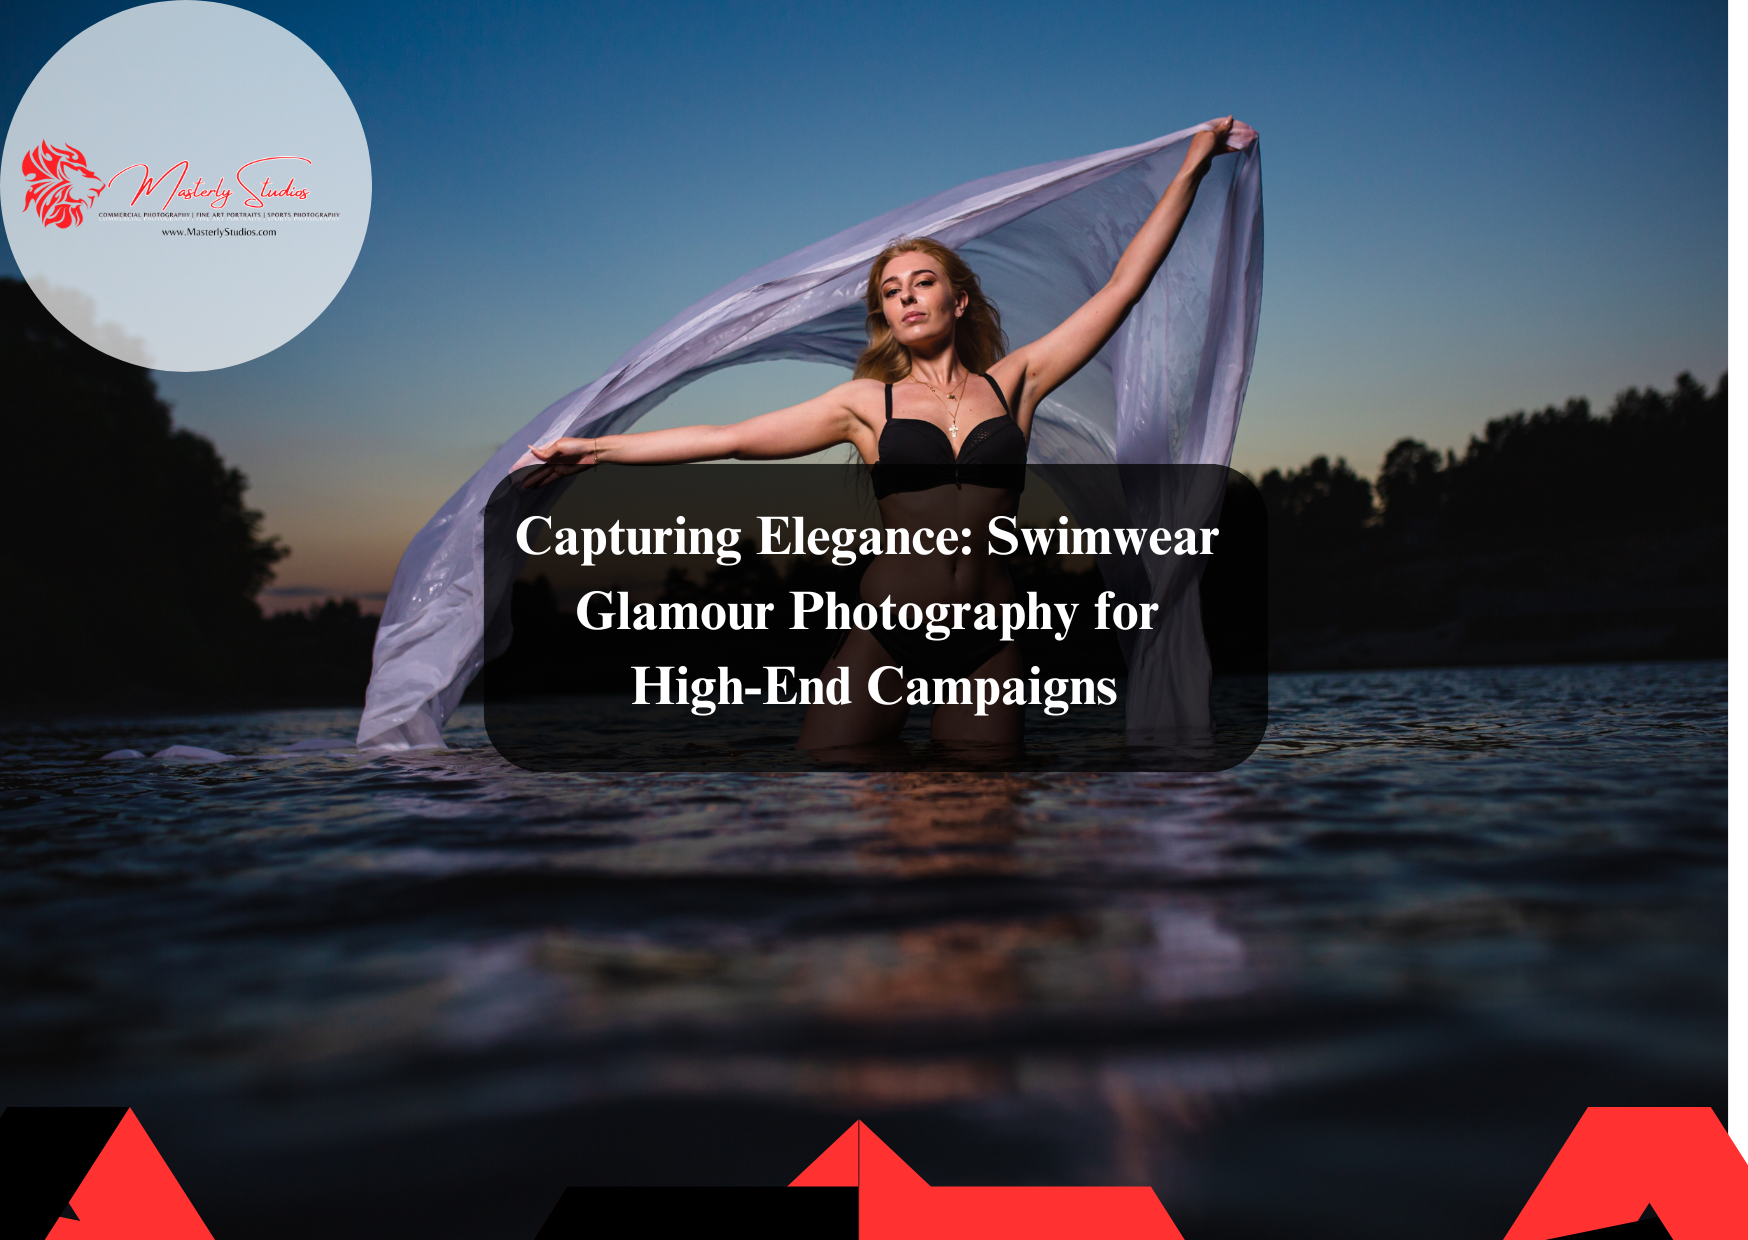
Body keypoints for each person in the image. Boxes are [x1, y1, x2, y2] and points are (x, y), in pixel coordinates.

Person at [520, 117, 1252, 751]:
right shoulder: (867, 405)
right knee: (851, 824)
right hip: (884, 638)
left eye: (922, 282)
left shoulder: (1018, 381)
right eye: (892, 292)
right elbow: (730, 436)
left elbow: (1124, 286)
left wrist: (1191, 164)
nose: (906, 297)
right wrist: (597, 450)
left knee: (987, 834)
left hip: (988, 643)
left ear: (959, 299)